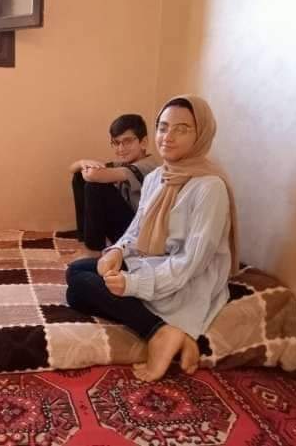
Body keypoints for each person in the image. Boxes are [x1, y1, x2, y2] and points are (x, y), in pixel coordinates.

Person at [66, 95, 239, 382]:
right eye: (163, 127)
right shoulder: (157, 176)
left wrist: (133, 283)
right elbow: (136, 229)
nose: (168, 137)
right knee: (75, 279)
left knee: (82, 284)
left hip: (186, 281)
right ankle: (169, 332)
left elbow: (191, 265)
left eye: (182, 129)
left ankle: (158, 331)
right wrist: (117, 251)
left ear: (201, 134)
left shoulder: (210, 187)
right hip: (153, 262)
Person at [68, 114, 159, 260]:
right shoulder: (125, 163)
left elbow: (94, 176)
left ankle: (93, 252)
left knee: (95, 186)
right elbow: (73, 169)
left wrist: (90, 170)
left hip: (139, 234)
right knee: (79, 176)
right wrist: (82, 162)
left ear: (143, 142)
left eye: (127, 141)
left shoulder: (148, 166)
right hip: (127, 227)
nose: (121, 148)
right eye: (116, 143)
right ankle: (86, 244)